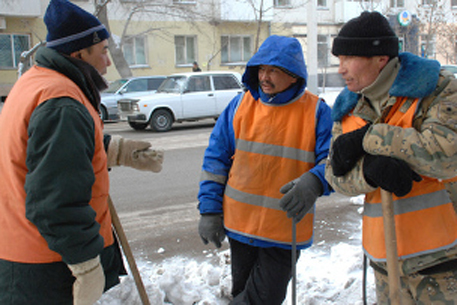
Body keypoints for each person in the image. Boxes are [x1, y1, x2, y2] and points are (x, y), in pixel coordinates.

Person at [0, 0, 164, 304]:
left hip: (25, 252)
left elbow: (47, 154)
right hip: (46, 263)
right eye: (102, 50)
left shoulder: (39, 83)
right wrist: (86, 265)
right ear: (79, 53)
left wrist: (118, 151)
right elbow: (55, 199)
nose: (108, 61)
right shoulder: (61, 102)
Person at [325, 11, 457, 304]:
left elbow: (446, 155)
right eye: (339, 60)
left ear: (380, 59)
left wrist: (369, 139)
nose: (341, 69)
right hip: (386, 267)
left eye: (348, 58)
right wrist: (369, 172)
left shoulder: (438, 89)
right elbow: (335, 176)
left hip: (444, 264)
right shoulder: (347, 107)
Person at [197, 35, 333, 304]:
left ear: (294, 75)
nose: (264, 77)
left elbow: (332, 162)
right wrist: (210, 210)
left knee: (264, 299)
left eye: (273, 70)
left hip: (283, 229)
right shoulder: (240, 105)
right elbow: (215, 160)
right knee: (243, 293)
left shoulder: (317, 112)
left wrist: (316, 180)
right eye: (261, 69)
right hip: (240, 225)